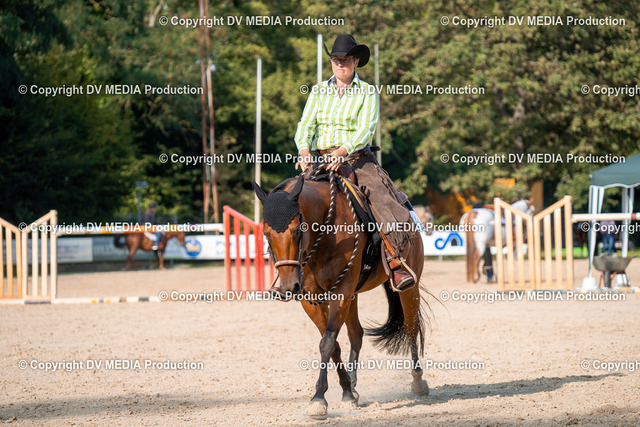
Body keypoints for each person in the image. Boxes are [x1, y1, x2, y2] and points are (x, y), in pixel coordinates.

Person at [294, 33, 420, 291]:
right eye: (336, 59)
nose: (340, 63)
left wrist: (341, 152)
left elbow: (365, 129)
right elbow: (305, 124)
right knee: (290, 199)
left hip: (356, 158)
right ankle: (287, 265)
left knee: (381, 198)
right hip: (319, 159)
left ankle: (395, 260)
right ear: (332, 62)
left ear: (355, 62)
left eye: (346, 59)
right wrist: (304, 150)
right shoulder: (318, 91)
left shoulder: (367, 91)